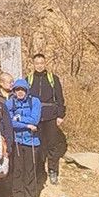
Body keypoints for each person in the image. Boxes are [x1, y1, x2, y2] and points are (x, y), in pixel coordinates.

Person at [27, 53, 67, 186]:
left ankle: (53, 170)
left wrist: (60, 115)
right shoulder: (29, 79)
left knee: (52, 145)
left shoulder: (53, 79)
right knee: (38, 145)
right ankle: (39, 171)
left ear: (45, 64)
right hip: (35, 117)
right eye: (37, 63)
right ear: (33, 64)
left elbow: (60, 98)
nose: (39, 66)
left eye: (41, 63)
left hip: (51, 116)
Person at [5, 79, 42, 197]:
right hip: (17, 142)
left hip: (32, 142)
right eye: (17, 89)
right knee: (18, 172)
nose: (20, 92)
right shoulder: (10, 103)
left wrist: (18, 118)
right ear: (14, 91)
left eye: (22, 89)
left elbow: (35, 120)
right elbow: (9, 122)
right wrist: (26, 125)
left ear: (27, 90)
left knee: (30, 172)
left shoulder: (35, 102)